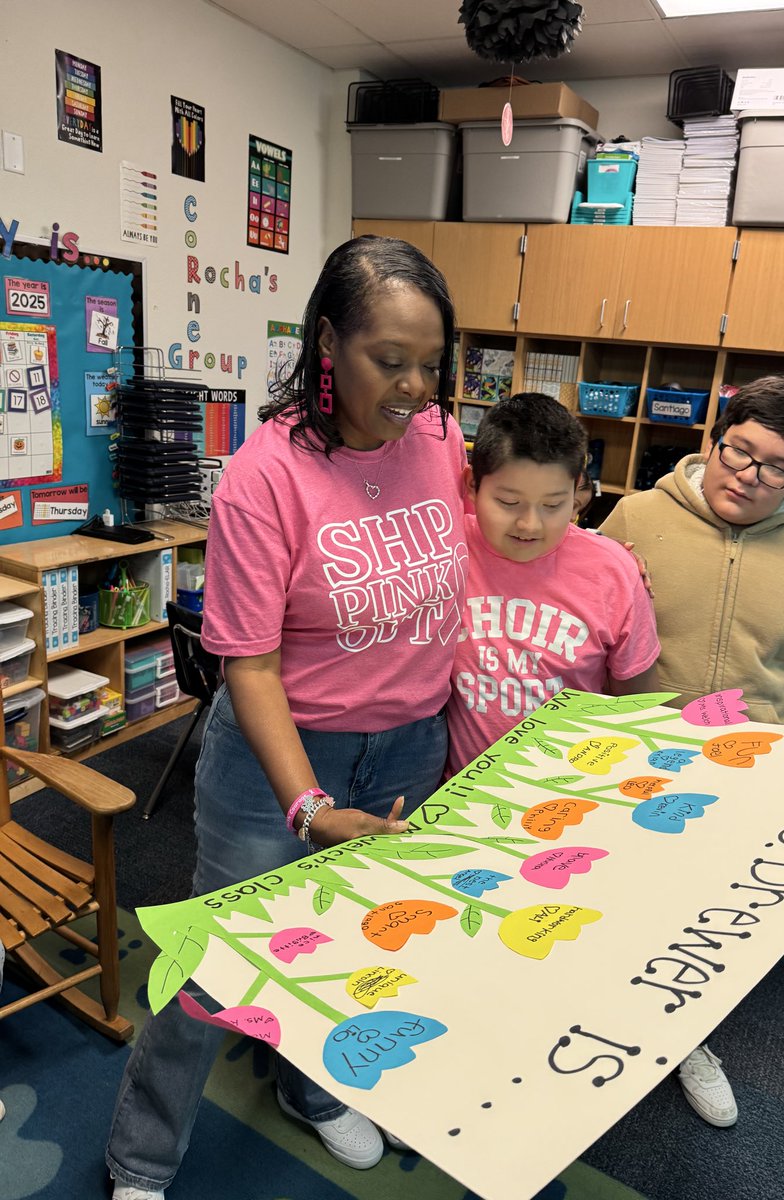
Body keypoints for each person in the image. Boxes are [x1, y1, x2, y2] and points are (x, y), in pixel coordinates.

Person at [106, 236, 469, 1200]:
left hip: (408, 743)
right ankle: (141, 1158)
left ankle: (314, 1090)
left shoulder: (439, 436)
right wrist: (306, 804)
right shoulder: (265, 475)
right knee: (216, 961)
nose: (414, 387)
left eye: (431, 363)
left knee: (354, 942)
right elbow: (249, 664)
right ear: (326, 343)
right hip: (282, 754)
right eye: (389, 360)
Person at [600, 374, 784, 1128]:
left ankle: (687, 1038)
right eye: (738, 451)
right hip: (629, 760)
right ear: (714, 440)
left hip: (748, 776)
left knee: (698, 918)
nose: (746, 476)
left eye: (772, 467)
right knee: (605, 905)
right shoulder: (633, 517)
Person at [445, 391, 660, 780]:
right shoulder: (446, 548)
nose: (530, 525)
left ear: (579, 492)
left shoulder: (613, 572)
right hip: (458, 796)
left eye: (553, 505)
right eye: (508, 503)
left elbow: (639, 705)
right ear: (472, 486)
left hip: (573, 790)